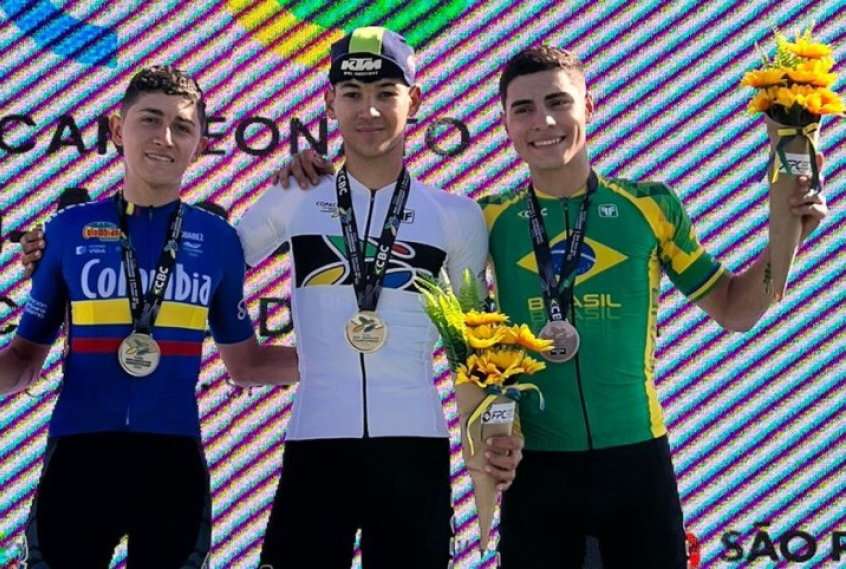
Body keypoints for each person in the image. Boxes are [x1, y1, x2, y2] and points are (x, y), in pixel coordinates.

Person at [273, 45, 828, 568]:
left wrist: (789, 233)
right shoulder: (486, 219)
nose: (543, 122)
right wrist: (317, 175)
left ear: (587, 105)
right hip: (534, 476)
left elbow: (736, 309)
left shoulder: (649, 206)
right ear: (507, 123)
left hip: (636, 465)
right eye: (524, 109)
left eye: (558, 102)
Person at [17, 30, 523, 569]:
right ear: (329, 102)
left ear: (414, 101)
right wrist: (55, 251)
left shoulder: (457, 215)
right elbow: (201, 256)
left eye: (384, 91)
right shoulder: (294, 194)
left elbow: (475, 355)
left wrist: (495, 434)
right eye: (351, 93)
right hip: (313, 450)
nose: (368, 108)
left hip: (415, 450)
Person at [0, 65, 298, 569]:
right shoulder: (66, 231)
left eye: (183, 127)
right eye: (150, 120)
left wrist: (346, 358)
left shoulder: (219, 242)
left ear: (201, 144)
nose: (165, 138)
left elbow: (247, 364)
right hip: (79, 462)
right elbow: (23, 360)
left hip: (173, 466)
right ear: (118, 129)